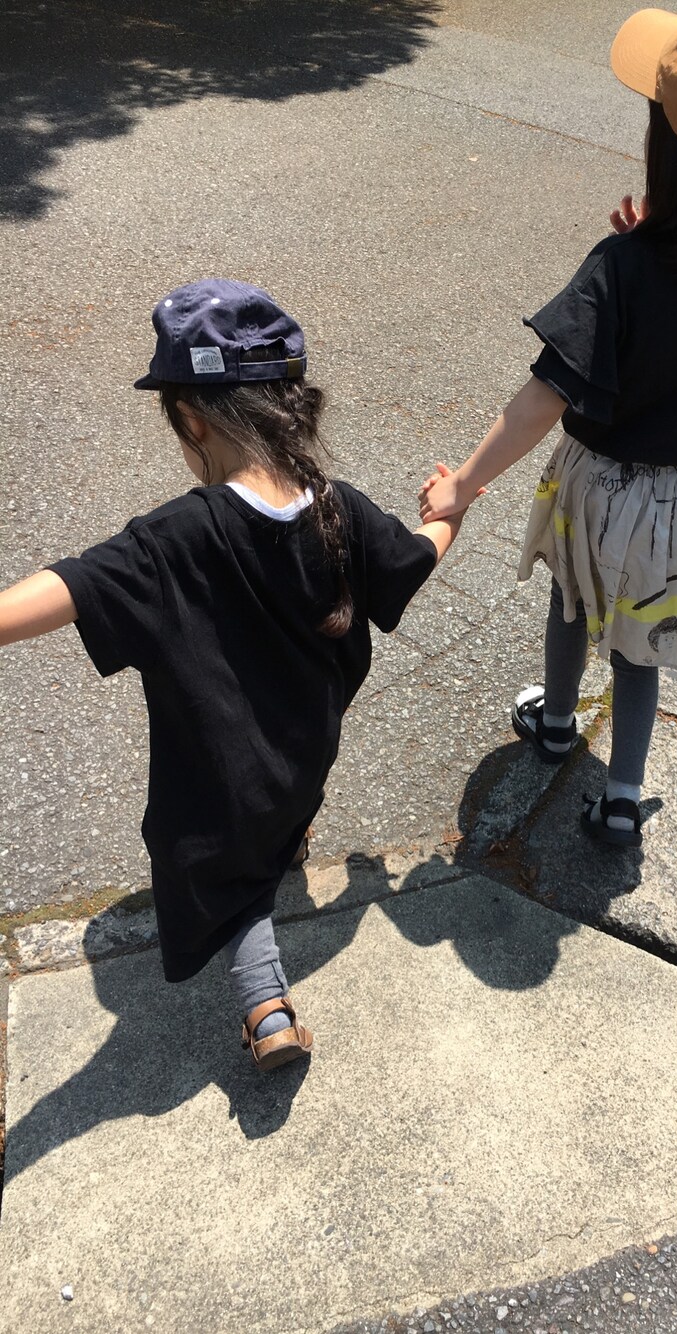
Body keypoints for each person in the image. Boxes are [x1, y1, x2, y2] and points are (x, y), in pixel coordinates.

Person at [0, 279, 468, 1071]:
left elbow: (64, 591)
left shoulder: (172, 539)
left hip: (223, 782)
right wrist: (449, 512)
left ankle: (266, 1005)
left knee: (227, 871)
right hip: (306, 749)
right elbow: (414, 558)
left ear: (191, 419)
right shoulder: (339, 507)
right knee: (276, 815)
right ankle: (288, 842)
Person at [419, 0, 677, 849]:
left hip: (599, 489)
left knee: (572, 598)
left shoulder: (623, 267)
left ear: (667, 150)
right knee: (643, 646)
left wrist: (463, 484)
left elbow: (543, 399)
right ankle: (621, 799)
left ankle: (555, 723)